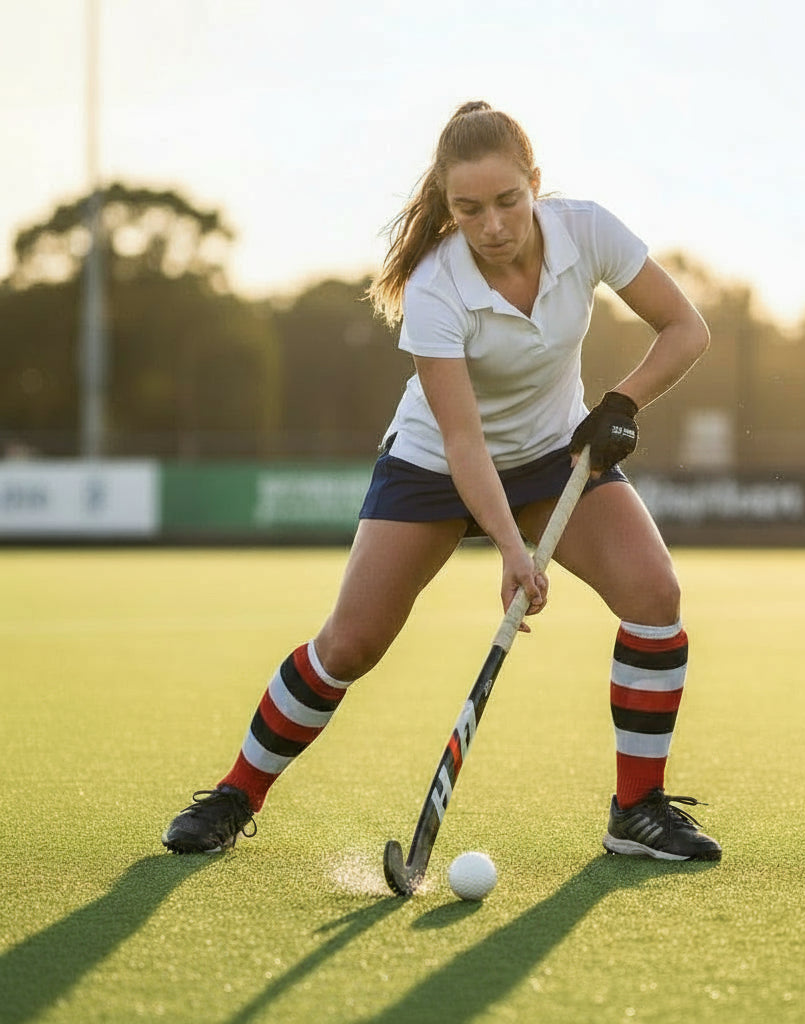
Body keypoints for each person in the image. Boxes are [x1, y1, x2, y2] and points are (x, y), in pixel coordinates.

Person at [162, 100, 721, 863]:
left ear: (535, 184)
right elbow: (463, 442)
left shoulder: (587, 230)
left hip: (555, 452)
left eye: (506, 202)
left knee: (655, 596)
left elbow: (687, 327)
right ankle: (236, 794)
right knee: (351, 643)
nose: (491, 225)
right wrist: (509, 551)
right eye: (468, 209)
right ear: (446, 205)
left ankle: (638, 810)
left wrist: (622, 402)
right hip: (433, 465)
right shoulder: (434, 288)